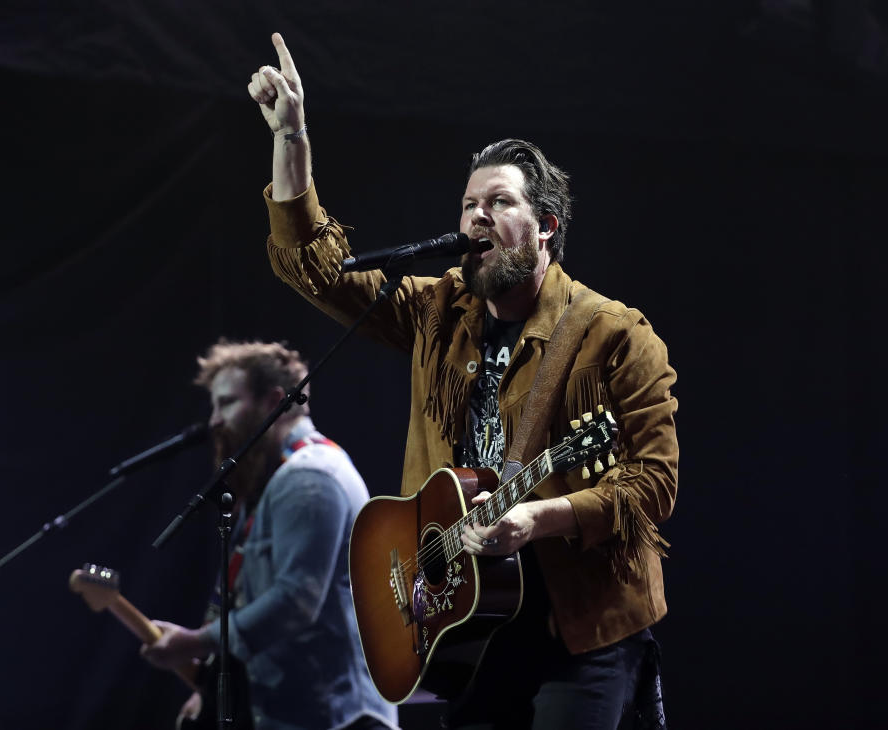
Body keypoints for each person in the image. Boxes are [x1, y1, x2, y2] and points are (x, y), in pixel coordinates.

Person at [248, 33, 678, 730]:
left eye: (499, 202)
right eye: (468, 203)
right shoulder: (437, 310)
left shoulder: (613, 335)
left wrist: (540, 516)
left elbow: (653, 482)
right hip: (469, 626)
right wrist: (292, 138)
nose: (477, 215)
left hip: (582, 633)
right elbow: (318, 270)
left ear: (545, 227)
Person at [140, 340, 398, 730]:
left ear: (275, 401)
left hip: (334, 716)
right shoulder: (271, 478)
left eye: (227, 403)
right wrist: (209, 686)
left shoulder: (309, 477)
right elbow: (245, 596)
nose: (213, 420)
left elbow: (295, 601)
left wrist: (198, 642)